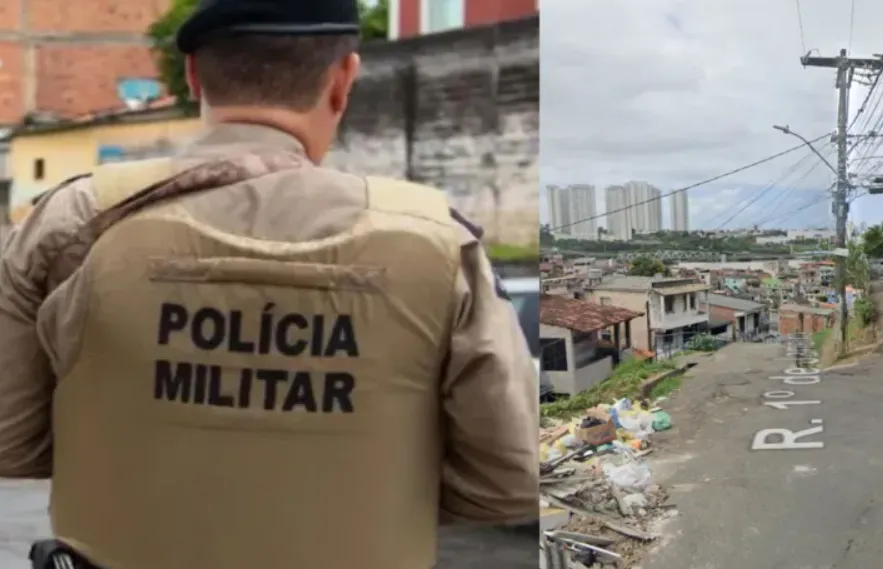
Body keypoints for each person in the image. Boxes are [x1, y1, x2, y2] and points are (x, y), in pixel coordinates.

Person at [0, 1, 539, 568]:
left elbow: (11, 441)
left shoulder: (70, 223)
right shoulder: (436, 242)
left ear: (192, 76)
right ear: (343, 79)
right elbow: (505, 479)